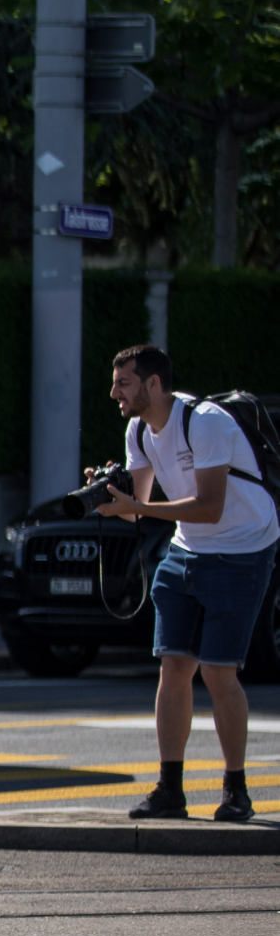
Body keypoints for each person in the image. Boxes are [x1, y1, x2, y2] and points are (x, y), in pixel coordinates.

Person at [92, 345, 278, 821]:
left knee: (218, 671)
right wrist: (108, 492)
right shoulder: (138, 428)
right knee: (174, 666)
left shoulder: (207, 422)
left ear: (153, 384)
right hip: (188, 548)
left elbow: (209, 505)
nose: (114, 392)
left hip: (242, 546)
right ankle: (169, 789)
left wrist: (141, 509)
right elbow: (143, 496)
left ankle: (236, 791)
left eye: (124, 383)